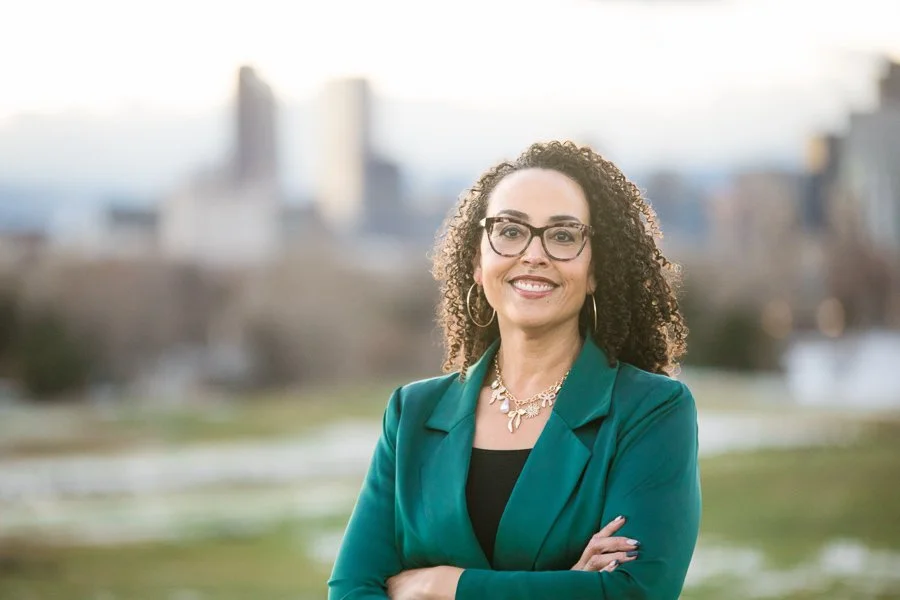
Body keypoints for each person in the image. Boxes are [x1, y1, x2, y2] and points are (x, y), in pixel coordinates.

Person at [328, 141, 701, 599]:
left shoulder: (651, 412)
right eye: (509, 231)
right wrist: (565, 588)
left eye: (563, 236)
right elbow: (350, 590)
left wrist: (440, 586)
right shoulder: (412, 414)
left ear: (596, 271)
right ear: (478, 264)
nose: (533, 254)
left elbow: (635, 592)